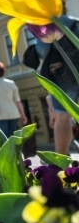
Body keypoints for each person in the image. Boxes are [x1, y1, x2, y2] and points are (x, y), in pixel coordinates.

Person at [24, 16, 79, 155]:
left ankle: (60, 161)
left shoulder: (47, 22)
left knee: (63, 117)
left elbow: (42, 51)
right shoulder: (75, 21)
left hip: (64, 76)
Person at [0, 61, 27, 139]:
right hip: (13, 114)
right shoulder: (11, 83)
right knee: (13, 137)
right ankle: (15, 151)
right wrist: (23, 115)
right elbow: (17, 101)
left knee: (3, 139)